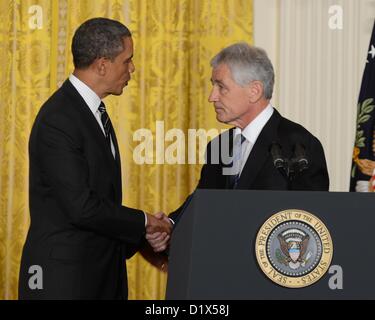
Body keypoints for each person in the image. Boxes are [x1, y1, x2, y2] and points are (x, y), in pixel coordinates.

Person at [18, 17, 172, 300]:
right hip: (63, 281)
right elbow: (82, 207)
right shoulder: (60, 118)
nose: (132, 68)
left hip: (97, 275)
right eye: (127, 61)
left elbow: (102, 199)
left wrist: (141, 233)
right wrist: (145, 222)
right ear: (102, 64)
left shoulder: (90, 111)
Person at [146, 42, 329, 253]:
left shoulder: (298, 145)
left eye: (221, 87)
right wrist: (169, 225)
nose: (211, 97)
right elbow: (203, 202)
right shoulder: (219, 145)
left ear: (254, 91)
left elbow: (310, 223)